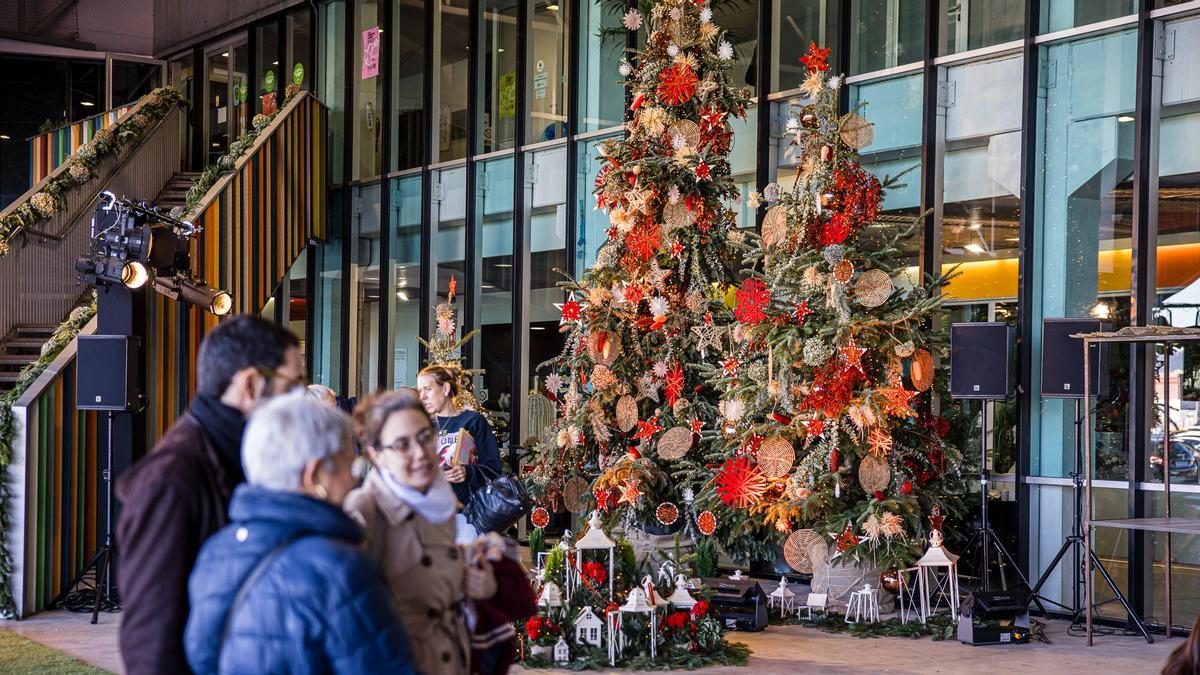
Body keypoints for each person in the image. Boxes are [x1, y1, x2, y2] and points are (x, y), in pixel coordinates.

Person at [115, 315, 304, 675]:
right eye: (292, 386)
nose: (300, 401)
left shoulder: (243, 456)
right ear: (251, 384)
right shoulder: (171, 480)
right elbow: (151, 646)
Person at [185, 392, 416, 674]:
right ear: (315, 475)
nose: (354, 477)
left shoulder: (217, 551)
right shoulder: (339, 569)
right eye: (349, 464)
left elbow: (201, 657)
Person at [345, 389, 496, 674]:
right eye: (402, 445)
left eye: (425, 437)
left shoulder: (439, 505)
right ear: (376, 454)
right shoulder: (363, 514)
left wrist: (475, 584)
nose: (420, 453)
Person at [416, 364, 502, 538]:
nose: (422, 397)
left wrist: (467, 472)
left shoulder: (473, 421)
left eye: (427, 389)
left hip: (466, 517)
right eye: (420, 391)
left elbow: (494, 469)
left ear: (445, 389)